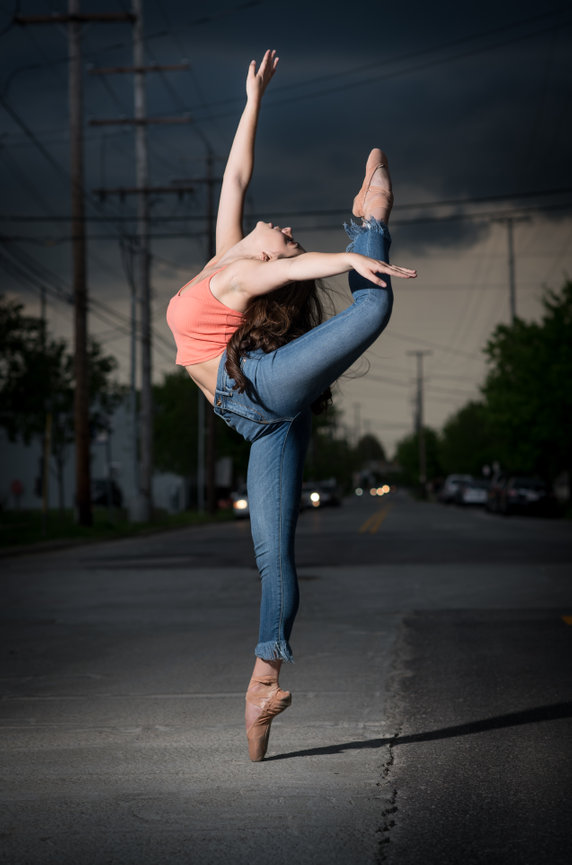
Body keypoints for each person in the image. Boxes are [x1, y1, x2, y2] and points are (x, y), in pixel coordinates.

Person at [166, 50, 417, 761]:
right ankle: (261, 685)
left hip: (259, 389)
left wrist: (341, 256)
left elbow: (298, 266)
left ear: (268, 263)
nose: (284, 231)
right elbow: (235, 176)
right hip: (262, 419)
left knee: (372, 311)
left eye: (287, 244)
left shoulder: (245, 272)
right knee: (273, 555)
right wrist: (254, 99)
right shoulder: (227, 255)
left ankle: (369, 217)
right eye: (288, 240)